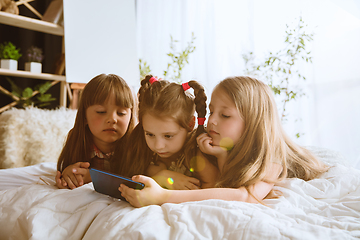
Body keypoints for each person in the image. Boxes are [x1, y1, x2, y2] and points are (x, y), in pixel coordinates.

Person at [119, 76, 329, 207]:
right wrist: (221, 155)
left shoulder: (272, 158)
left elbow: (244, 196)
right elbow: (223, 180)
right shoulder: (212, 141)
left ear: (254, 121)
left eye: (225, 116)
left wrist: (162, 196)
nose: (212, 121)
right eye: (211, 112)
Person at [116, 75, 219, 190]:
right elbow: (126, 181)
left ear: (190, 124)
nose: (158, 145)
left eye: (168, 136)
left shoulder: (197, 154)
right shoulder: (140, 146)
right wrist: (160, 177)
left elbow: (213, 192)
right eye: (150, 134)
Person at [55, 73, 136, 189]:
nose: (112, 119)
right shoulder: (77, 140)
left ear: (131, 116)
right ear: (84, 116)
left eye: (121, 113)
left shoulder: (136, 145)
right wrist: (70, 174)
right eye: (101, 112)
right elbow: (68, 170)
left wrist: (95, 178)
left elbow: (137, 182)